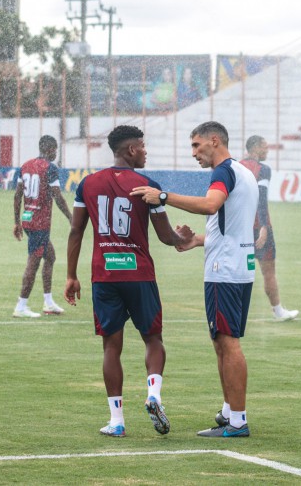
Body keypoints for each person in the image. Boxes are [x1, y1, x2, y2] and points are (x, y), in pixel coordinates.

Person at [64, 125, 193, 437]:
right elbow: (165, 237)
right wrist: (183, 238)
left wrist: (71, 275)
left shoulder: (88, 185)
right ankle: (153, 395)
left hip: (104, 276)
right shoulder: (147, 186)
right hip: (139, 274)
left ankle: (117, 421)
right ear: (131, 150)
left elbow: (76, 231)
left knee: (112, 346)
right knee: (153, 339)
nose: (146, 151)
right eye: (143, 146)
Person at [132, 121, 258, 438]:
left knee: (228, 342)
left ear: (214, 141)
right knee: (222, 341)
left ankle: (238, 421)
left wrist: (163, 196)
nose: (194, 153)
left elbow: (211, 204)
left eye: (196, 145)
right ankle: (230, 410)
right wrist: (200, 239)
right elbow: (236, 225)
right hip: (239, 265)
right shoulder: (244, 172)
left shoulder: (223, 172)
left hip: (223, 271)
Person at [13, 135, 73, 318]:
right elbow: (57, 196)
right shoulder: (50, 168)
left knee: (50, 256)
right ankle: (21, 306)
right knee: (33, 262)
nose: (56, 153)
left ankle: (48, 303)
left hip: (28, 217)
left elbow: (17, 196)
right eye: (55, 150)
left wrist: (17, 222)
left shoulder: (26, 165)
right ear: (51, 149)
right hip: (40, 222)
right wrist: (71, 218)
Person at [240, 135, 299, 320]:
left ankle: (236, 312)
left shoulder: (236, 166)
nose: (267, 150)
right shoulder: (262, 169)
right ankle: (278, 311)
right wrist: (264, 226)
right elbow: (261, 197)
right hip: (258, 227)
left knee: (242, 270)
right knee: (268, 271)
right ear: (256, 148)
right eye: (265, 147)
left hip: (239, 228)